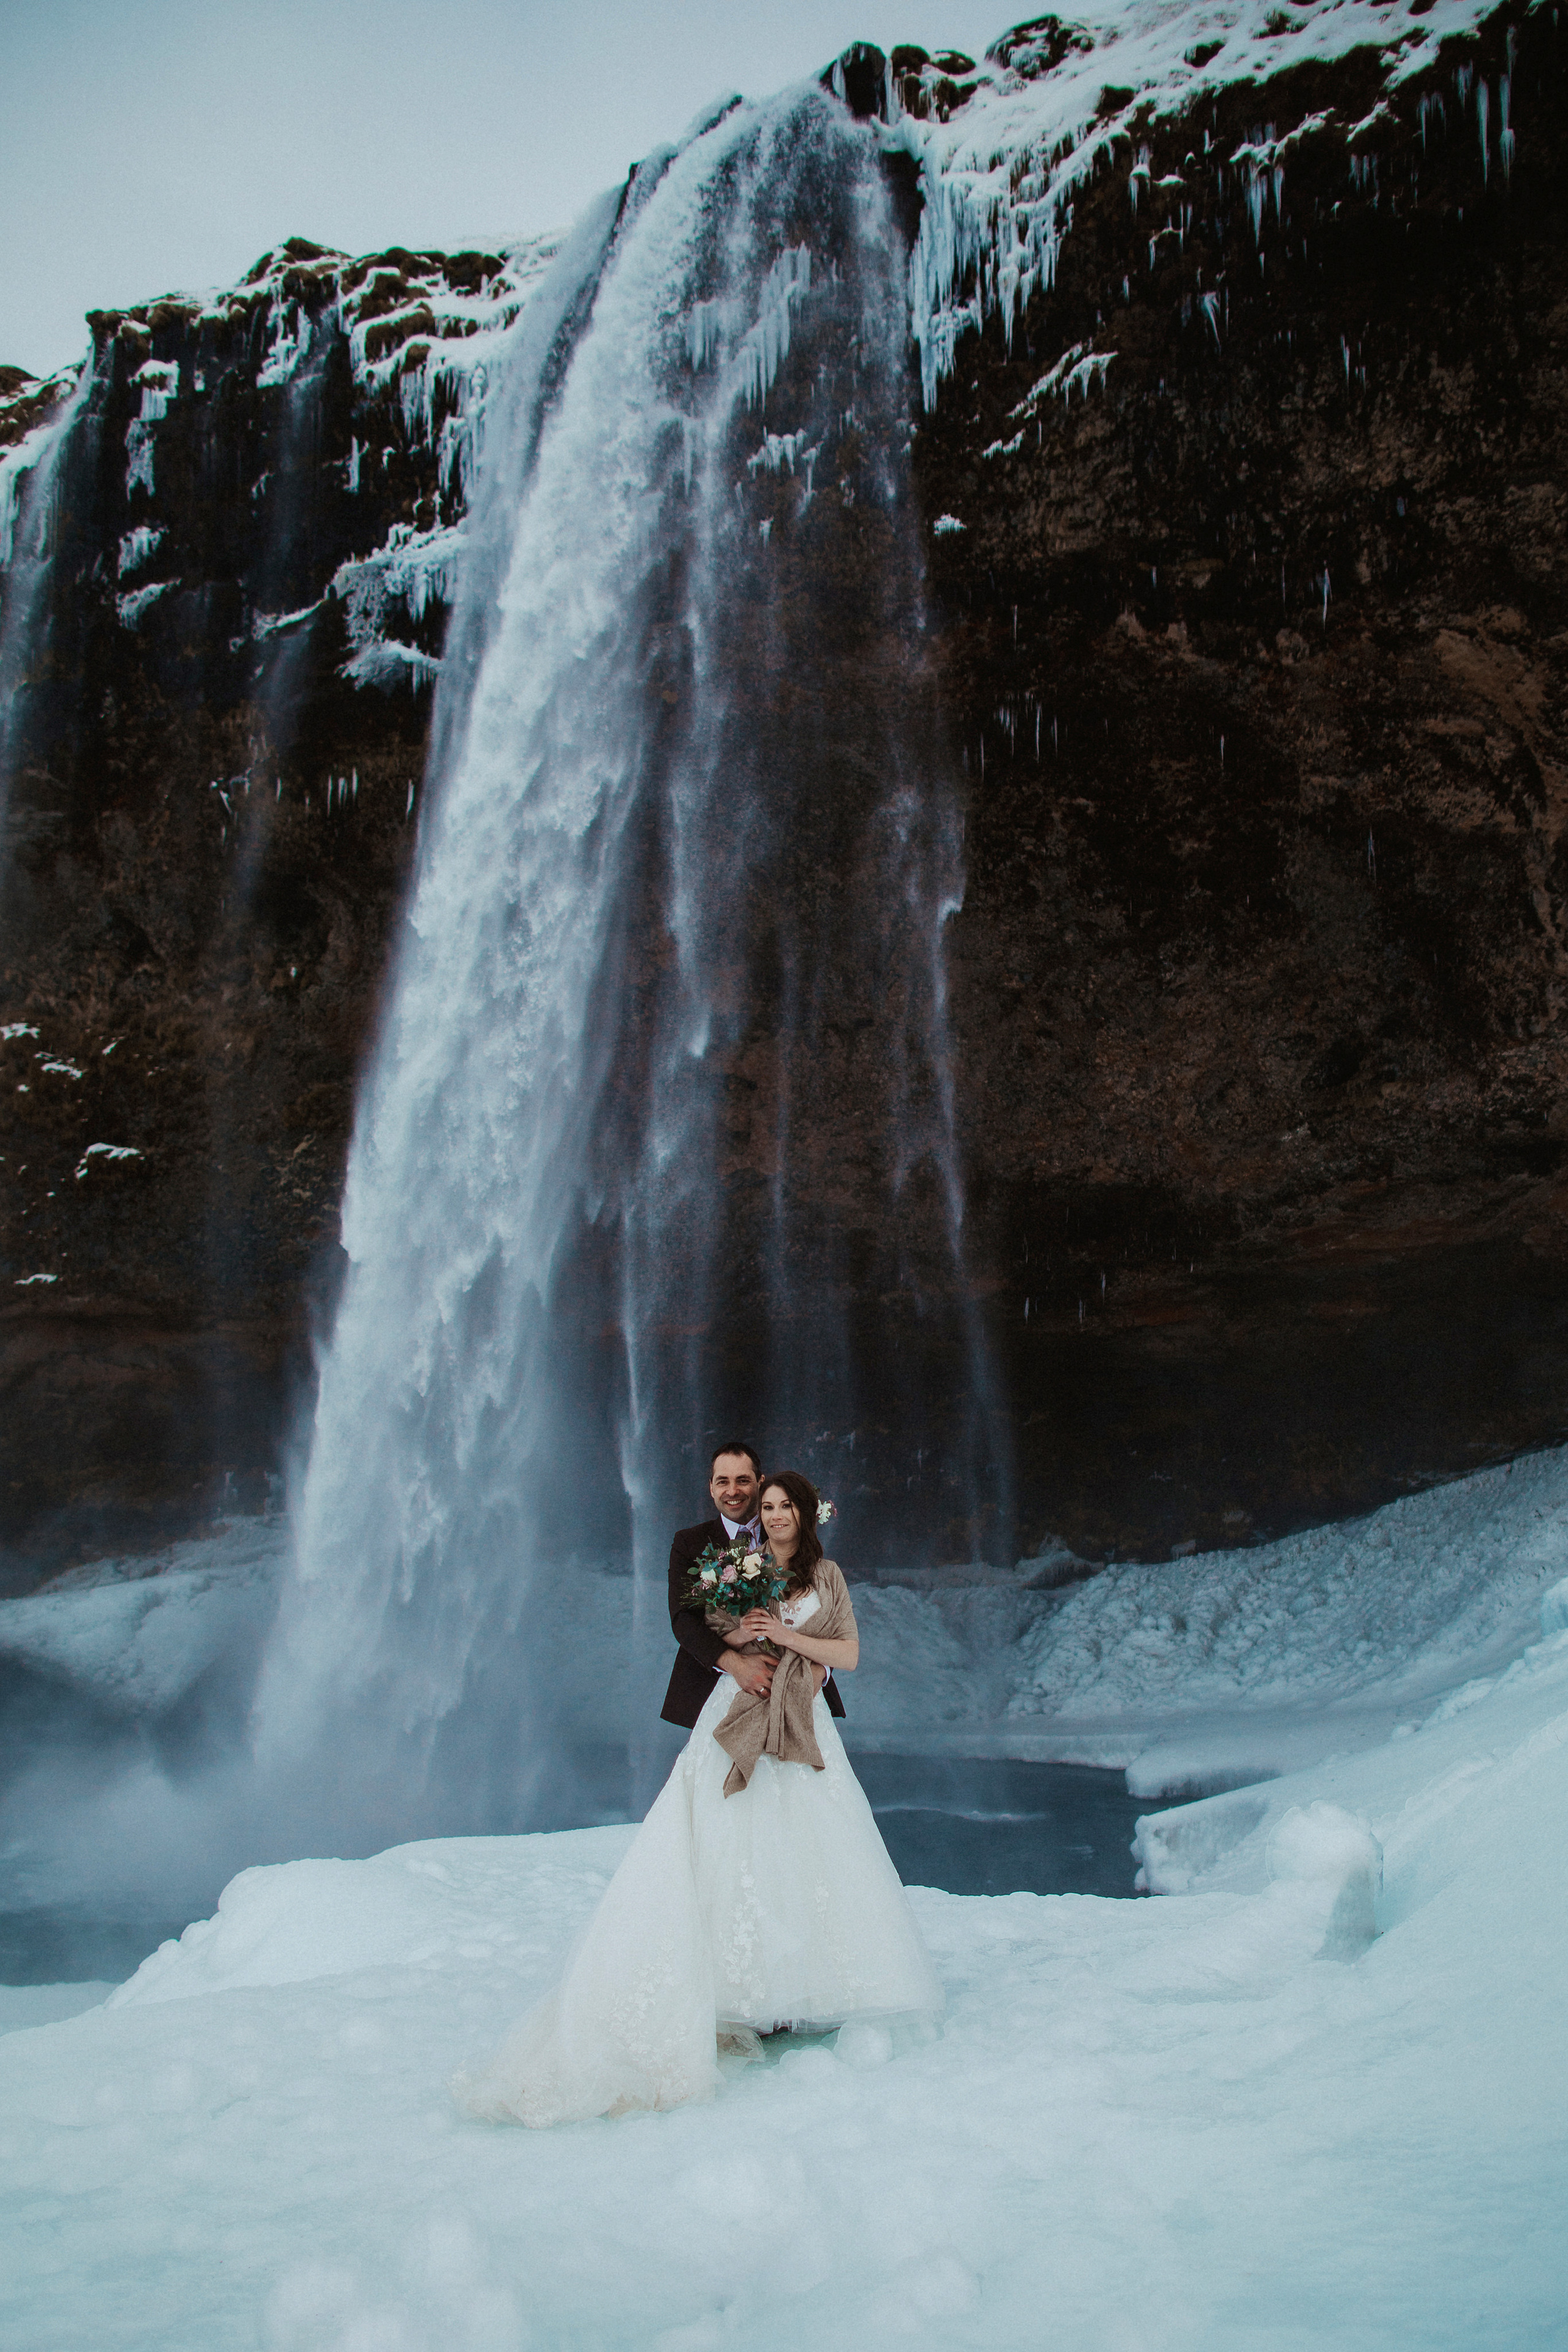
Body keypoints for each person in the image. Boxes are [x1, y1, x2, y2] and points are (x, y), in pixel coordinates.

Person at [454, 1467, 941, 2127]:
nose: (771, 1515)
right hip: (740, 1701)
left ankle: (801, 1989)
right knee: (727, 1835)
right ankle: (731, 1990)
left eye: (782, 1505)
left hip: (802, 1715)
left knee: (807, 1842)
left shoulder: (827, 1577)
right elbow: (709, 1628)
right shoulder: (735, 1565)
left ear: (803, 1512)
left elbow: (849, 1654)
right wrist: (741, 1639)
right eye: (763, 1505)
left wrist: (795, 1642)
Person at [662, 1438, 846, 1727]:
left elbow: (824, 1613)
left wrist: (819, 1671)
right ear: (711, 1488)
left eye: (743, 1480)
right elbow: (683, 1620)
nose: (732, 1491)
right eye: (723, 1482)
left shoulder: (788, 1529)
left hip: (798, 1691)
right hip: (718, 1687)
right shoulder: (689, 1543)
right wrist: (737, 1666)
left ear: (760, 1483)